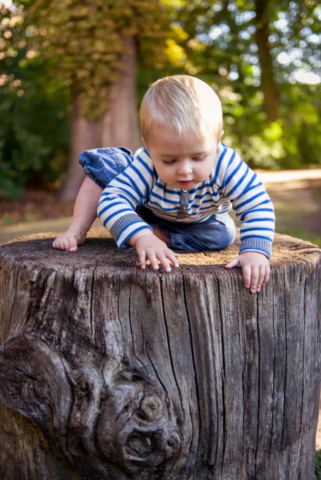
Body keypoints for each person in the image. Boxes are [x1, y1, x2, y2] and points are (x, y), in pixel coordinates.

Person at [53, 75, 275, 293]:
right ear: (149, 147)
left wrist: (256, 251)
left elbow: (256, 204)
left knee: (223, 233)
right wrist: (142, 237)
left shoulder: (226, 164)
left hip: (198, 221)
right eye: (169, 160)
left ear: (217, 141)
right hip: (146, 209)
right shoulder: (146, 165)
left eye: (198, 158)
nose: (185, 170)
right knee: (106, 168)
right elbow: (112, 198)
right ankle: (79, 229)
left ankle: (152, 233)